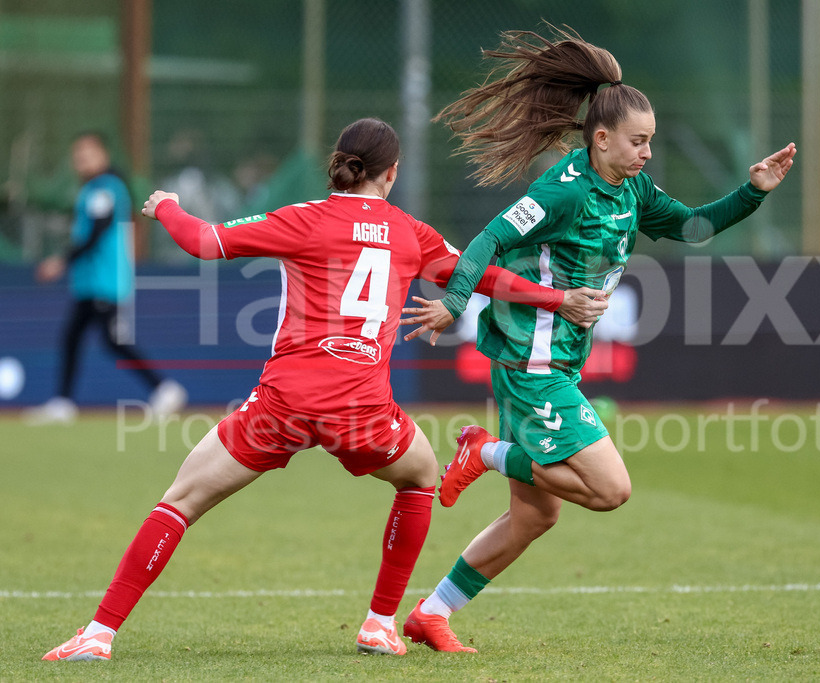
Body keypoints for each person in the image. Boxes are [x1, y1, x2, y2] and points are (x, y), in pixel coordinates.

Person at [41, 117, 607, 661]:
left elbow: (205, 241)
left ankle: (98, 634)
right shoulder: (410, 233)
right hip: (361, 408)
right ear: (392, 172)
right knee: (421, 476)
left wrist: (165, 207)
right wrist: (559, 299)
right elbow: (481, 277)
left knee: (179, 503)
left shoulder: (304, 217)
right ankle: (381, 624)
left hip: (284, 403)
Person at [398, 27, 797, 652]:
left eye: (651, 143)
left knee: (535, 515)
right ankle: (483, 453)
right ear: (602, 138)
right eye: (638, 143)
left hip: (557, 360)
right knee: (612, 490)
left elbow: (692, 229)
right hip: (532, 363)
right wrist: (454, 301)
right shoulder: (564, 189)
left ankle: (430, 614)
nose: (646, 154)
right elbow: (489, 239)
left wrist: (753, 193)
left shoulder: (632, 187)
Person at [25, 131, 187, 424]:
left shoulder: (106, 188)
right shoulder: (90, 190)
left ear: (103, 156)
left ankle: (165, 388)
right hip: (89, 282)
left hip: (106, 282)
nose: (81, 161)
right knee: (74, 336)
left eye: (87, 154)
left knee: (112, 340)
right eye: (77, 156)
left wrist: (61, 261)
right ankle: (63, 402)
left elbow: (98, 229)